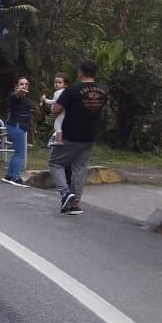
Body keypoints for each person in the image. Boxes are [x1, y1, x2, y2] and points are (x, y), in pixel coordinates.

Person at [50, 60, 108, 215]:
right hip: (90, 136)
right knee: (79, 169)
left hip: (70, 135)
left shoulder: (72, 90)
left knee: (55, 163)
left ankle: (65, 193)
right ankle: (74, 204)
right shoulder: (103, 91)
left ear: (81, 72)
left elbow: (56, 109)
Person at [3, 77, 33, 186]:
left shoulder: (26, 98)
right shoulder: (15, 97)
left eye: (26, 83)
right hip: (16, 126)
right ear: (16, 86)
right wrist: (19, 91)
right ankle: (16, 177)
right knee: (20, 153)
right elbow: (16, 95)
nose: (24, 86)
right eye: (21, 84)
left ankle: (9, 175)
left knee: (17, 152)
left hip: (20, 127)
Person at [41, 73, 68, 147]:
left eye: (60, 82)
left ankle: (59, 141)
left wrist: (45, 100)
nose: (57, 84)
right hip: (65, 112)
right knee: (60, 126)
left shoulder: (58, 93)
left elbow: (55, 102)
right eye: (55, 82)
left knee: (57, 125)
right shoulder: (63, 92)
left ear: (65, 85)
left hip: (61, 113)